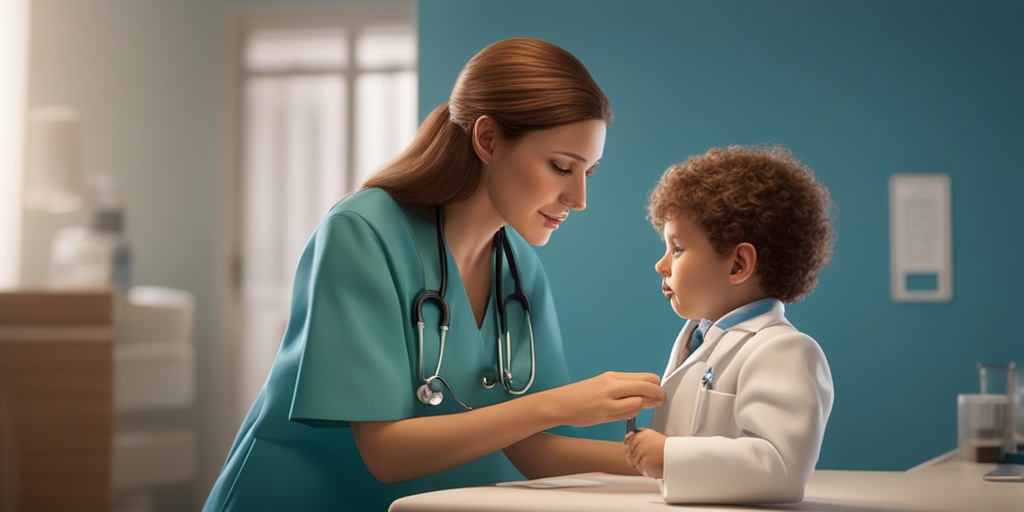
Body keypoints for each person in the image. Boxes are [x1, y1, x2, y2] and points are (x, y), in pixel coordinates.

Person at [202, 37, 665, 511]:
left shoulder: (517, 267)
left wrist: (688, 459)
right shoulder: (362, 234)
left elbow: (533, 449)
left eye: (589, 172)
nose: (579, 198)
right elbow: (386, 452)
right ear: (486, 139)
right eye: (561, 166)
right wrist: (560, 404)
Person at [625, 144, 836, 504]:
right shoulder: (697, 336)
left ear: (738, 264)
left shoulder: (785, 350)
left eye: (677, 249)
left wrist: (669, 456)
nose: (661, 265)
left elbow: (782, 468)